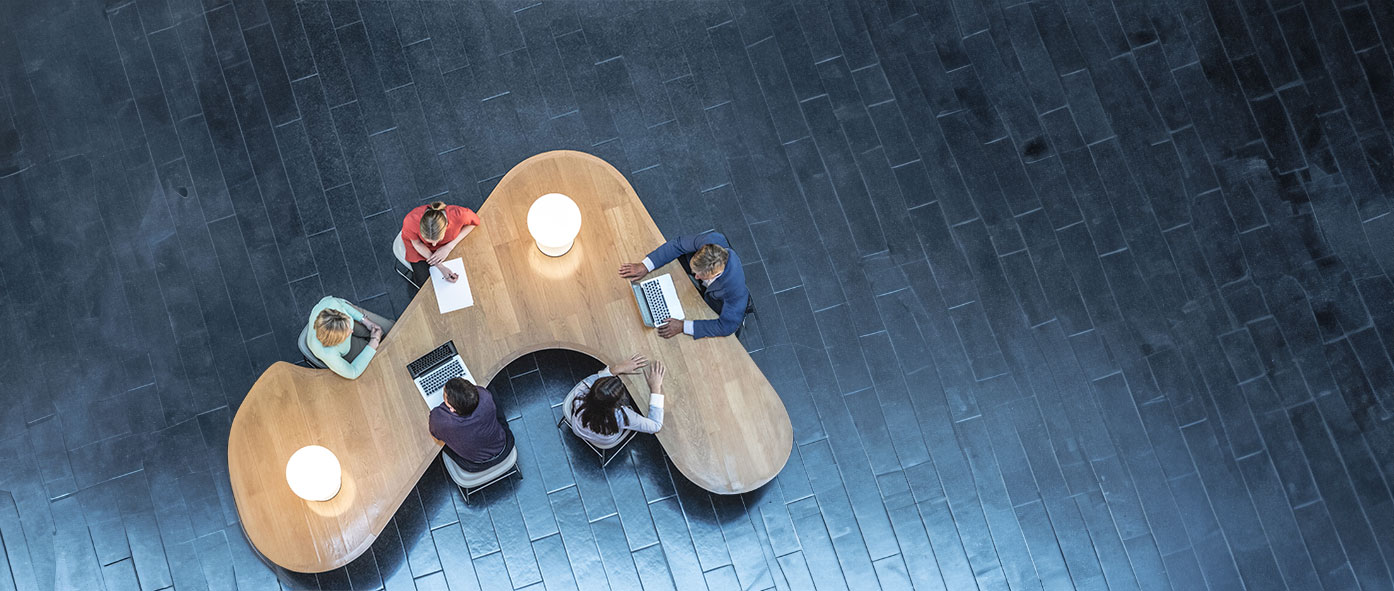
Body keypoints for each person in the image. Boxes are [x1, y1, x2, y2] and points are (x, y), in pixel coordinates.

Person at [619, 231, 749, 339]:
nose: (696, 276)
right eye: (695, 272)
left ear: (716, 274)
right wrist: (645, 266)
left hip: (716, 303)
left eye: (700, 275)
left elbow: (726, 327)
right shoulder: (710, 240)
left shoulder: (735, 290)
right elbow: (678, 245)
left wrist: (683, 326)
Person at [566, 354, 667, 448]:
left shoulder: (581, 392)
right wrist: (655, 387)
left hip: (578, 428)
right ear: (618, 403)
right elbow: (655, 426)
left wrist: (618, 369)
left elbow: (594, 378)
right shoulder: (622, 416)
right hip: (604, 439)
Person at [429, 377, 514, 471]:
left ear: (452, 409)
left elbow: (435, 433)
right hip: (504, 446)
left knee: (441, 442)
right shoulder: (485, 396)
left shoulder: (442, 422)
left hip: (476, 464)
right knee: (491, 389)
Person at [305, 296, 395, 379]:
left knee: (390, 328)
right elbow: (353, 372)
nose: (352, 330)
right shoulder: (328, 353)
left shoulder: (331, 304)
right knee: (381, 356)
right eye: (347, 332)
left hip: (342, 328)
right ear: (336, 341)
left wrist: (366, 321)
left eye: (348, 325)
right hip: (345, 350)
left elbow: (344, 306)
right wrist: (373, 343)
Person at [401, 201, 481, 290]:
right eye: (429, 241)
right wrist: (440, 266)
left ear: (446, 225)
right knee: (424, 284)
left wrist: (449, 246)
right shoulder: (410, 221)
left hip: (448, 244)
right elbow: (417, 243)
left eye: (437, 240)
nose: (434, 245)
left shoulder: (460, 214)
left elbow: (474, 223)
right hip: (420, 248)